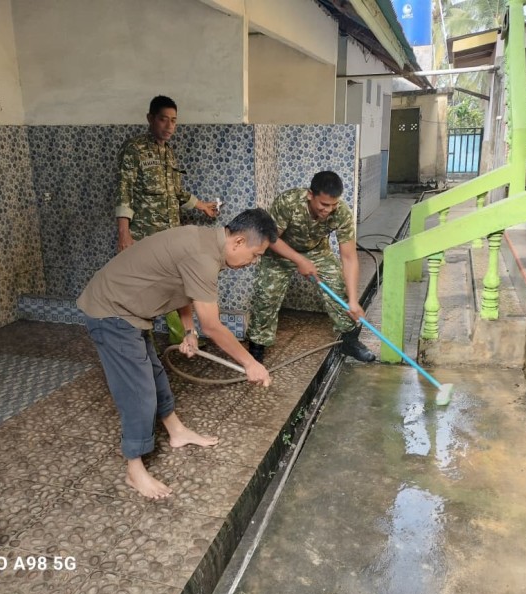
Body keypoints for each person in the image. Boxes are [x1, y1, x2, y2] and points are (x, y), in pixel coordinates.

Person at [78, 209, 278, 499]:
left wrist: (188, 331)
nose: (253, 262)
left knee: (154, 373)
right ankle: (134, 470)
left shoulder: (206, 243)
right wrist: (250, 363)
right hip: (111, 312)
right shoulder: (203, 257)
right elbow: (212, 325)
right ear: (238, 241)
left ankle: (177, 431)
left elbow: (182, 287)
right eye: (256, 254)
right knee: (138, 391)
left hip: (128, 312)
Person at [115, 94, 218, 344]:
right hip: (144, 235)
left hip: (171, 234)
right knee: (144, 291)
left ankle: (182, 336)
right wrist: (124, 234)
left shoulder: (169, 153)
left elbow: (177, 191)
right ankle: (143, 343)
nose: (169, 126)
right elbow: (124, 191)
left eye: (173, 121)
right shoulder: (135, 149)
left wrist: (202, 205)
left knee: (178, 285)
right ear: (150, 119)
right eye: (164, 120)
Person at [247, 171, 376, 363]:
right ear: (310, 195)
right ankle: (257, 346)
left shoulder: (341, 212)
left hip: (316, 251)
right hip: (280, 250)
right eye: (324, 205)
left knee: (340, 289)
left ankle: (350, 341)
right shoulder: (288, 202)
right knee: (266, 294)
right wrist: (299, 260)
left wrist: (354, 300)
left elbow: (349, 258)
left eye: (333, 205)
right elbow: (270, 238)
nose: (328, 210)